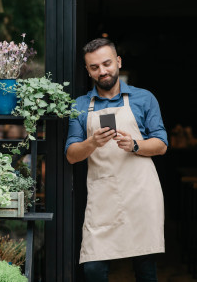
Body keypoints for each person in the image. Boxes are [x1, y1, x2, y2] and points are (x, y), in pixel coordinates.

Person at [65, 38, 168, 282]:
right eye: (94, 67)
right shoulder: (79, 106)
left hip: (141, 194)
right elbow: (70, 155)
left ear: (118, 62)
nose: (102, 71)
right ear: (87, 70)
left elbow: (161, 145)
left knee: (145, 268)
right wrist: (93, 143)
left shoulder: (144, 98)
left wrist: (134, 145)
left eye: (107, 63)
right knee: (93, 269)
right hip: (103, 196)